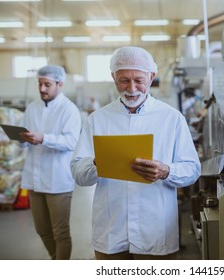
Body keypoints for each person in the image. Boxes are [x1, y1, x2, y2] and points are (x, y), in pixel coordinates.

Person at [70, 46, 201, 260]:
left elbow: (193, 169)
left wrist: (166, 171)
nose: (131, 88)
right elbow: (78, 173)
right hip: (111, 231)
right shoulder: (98, 119)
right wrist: (98, 162)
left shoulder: (171, 118)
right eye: (124, 80)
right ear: (113, 77)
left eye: (138, 80)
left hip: (155, 230)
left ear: (151, 77)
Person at [19, 64, 82, 260]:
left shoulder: (69, 109)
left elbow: (72, 141)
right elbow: (25, 137)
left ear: (59, 84)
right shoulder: (32, 107)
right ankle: (57, 261)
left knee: (60, 232)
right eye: (40, 84)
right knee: (41, 230)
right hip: (34, 178)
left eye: (47, 84)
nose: (42, 89)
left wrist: (44, 138)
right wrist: (22, 140)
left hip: (58, 180)